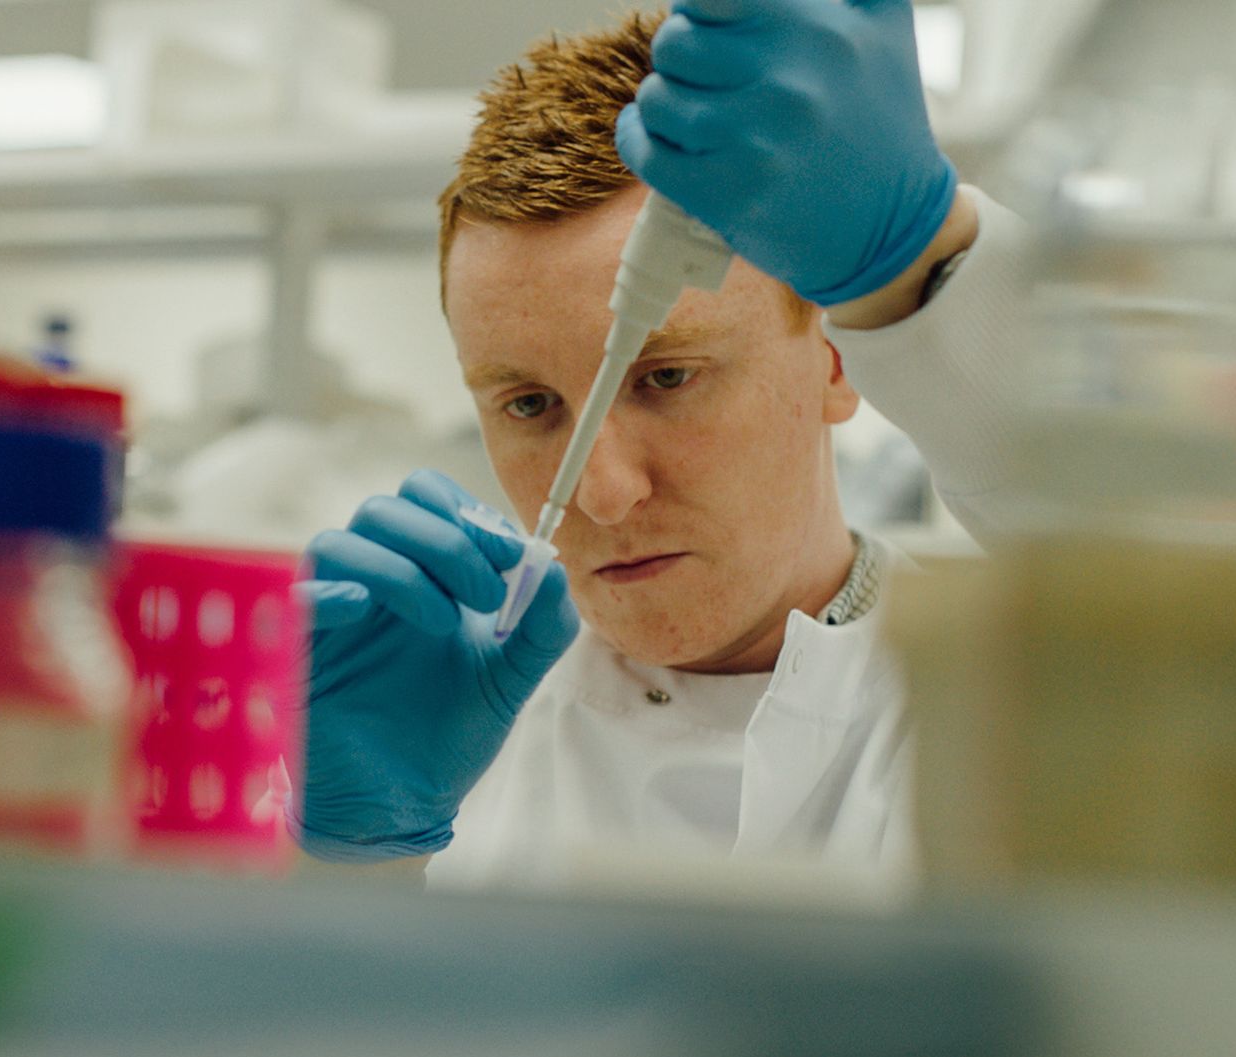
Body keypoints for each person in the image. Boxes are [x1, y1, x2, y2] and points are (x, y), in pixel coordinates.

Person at [289, 0, 1030, 889]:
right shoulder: (437, 738)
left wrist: (923, 255)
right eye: (529, 404)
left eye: (666, 378)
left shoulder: (1009, 708)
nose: (601, 492)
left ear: (835, 359)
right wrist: (351, 864)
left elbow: (1175, 517)